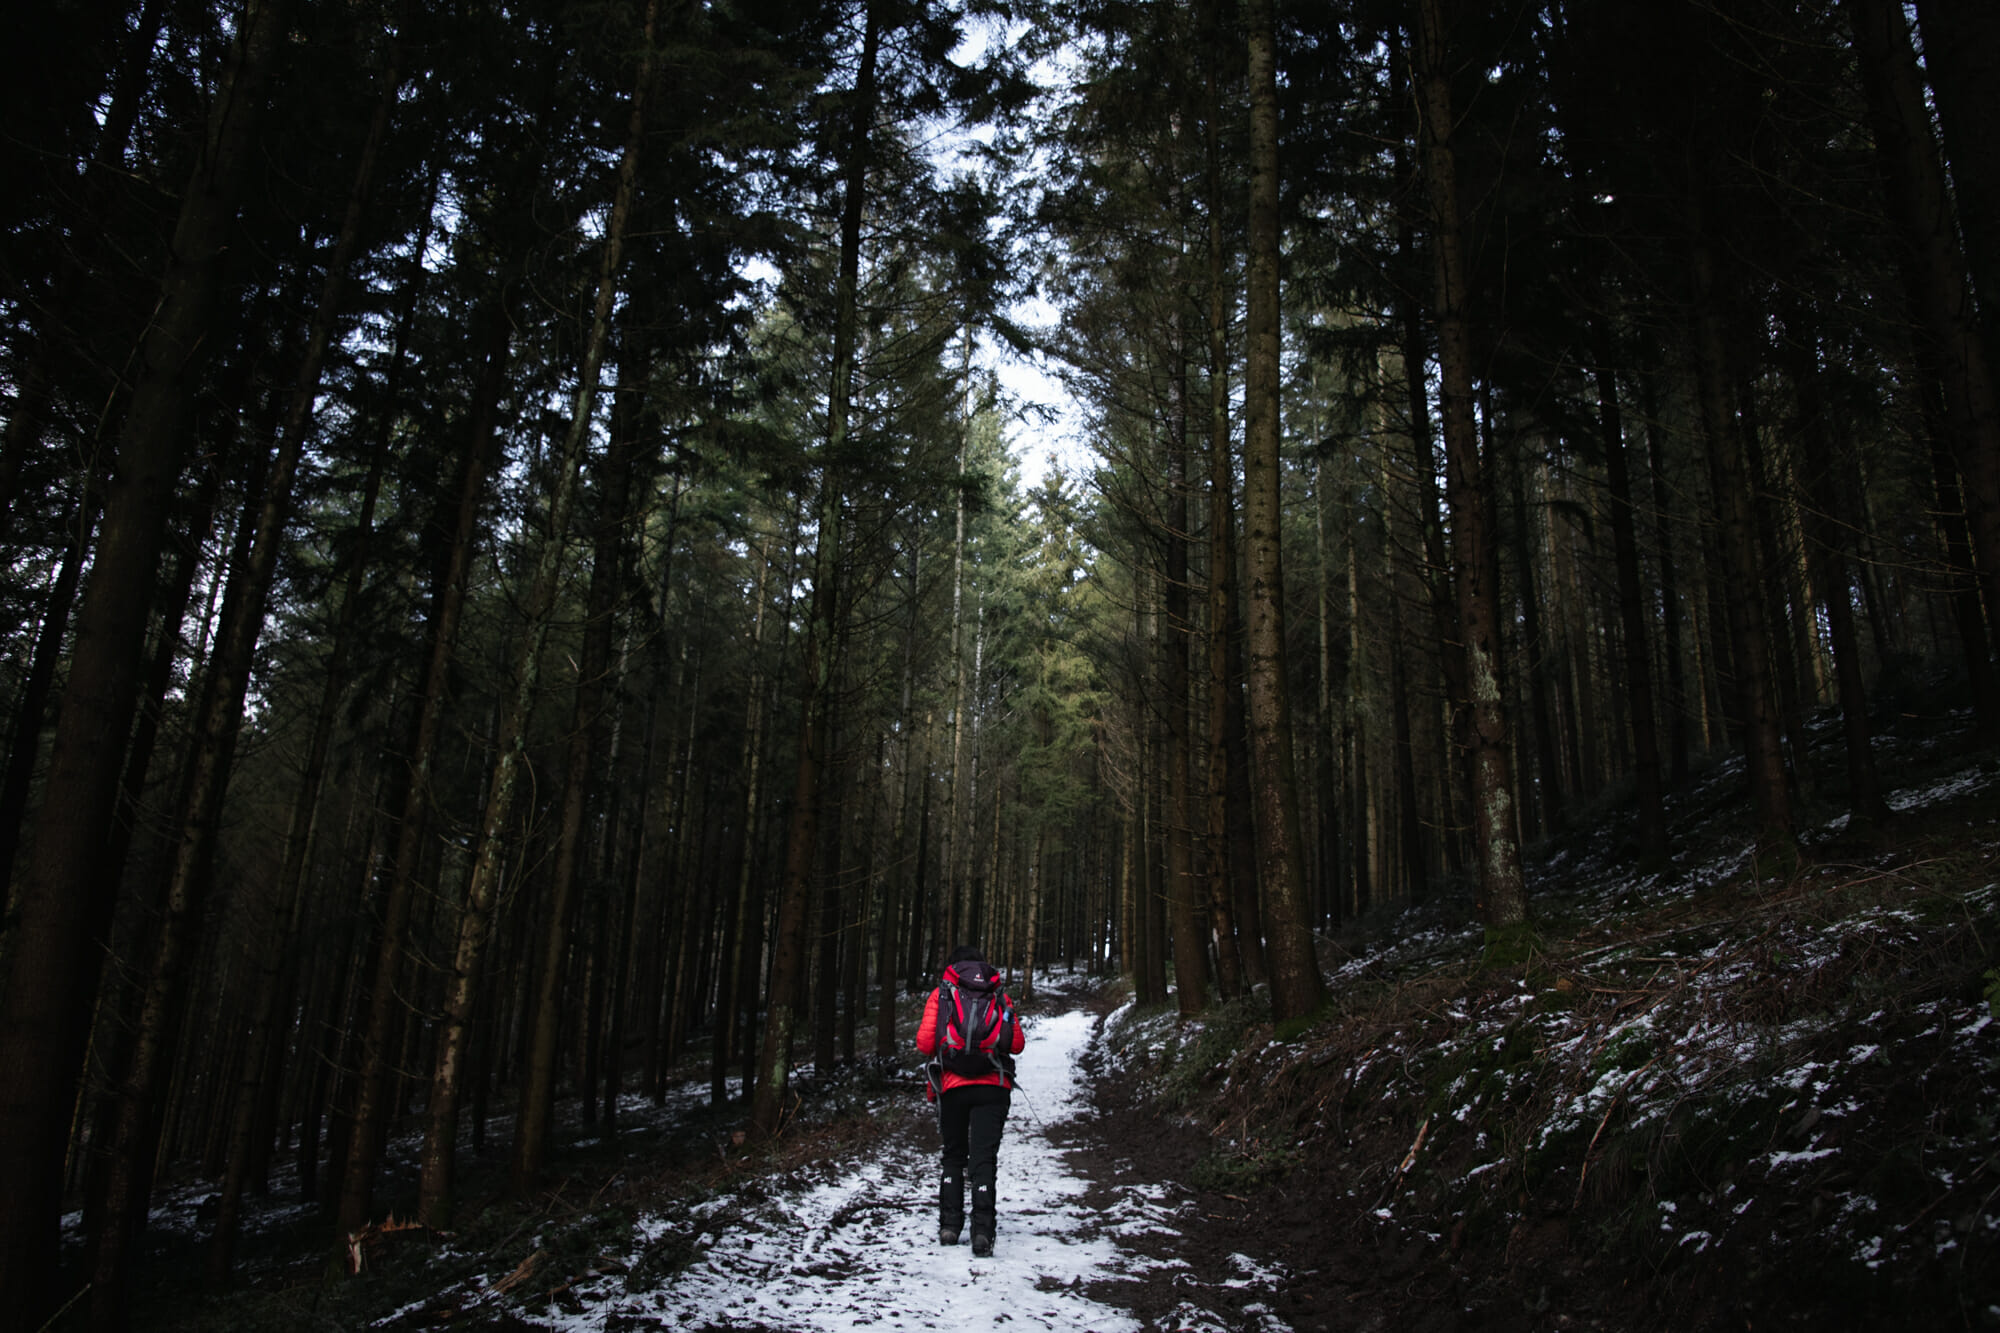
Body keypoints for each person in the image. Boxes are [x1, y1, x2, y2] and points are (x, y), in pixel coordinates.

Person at [915, 945, 1025, 1257]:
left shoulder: (941, 994)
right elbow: (1016, 1044)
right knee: (983, 1158)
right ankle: (982, 1232)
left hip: (951, 1086)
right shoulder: (998, 994)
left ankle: (950, 1226)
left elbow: (924, 1043)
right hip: (993, 1086)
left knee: (953, 1155)